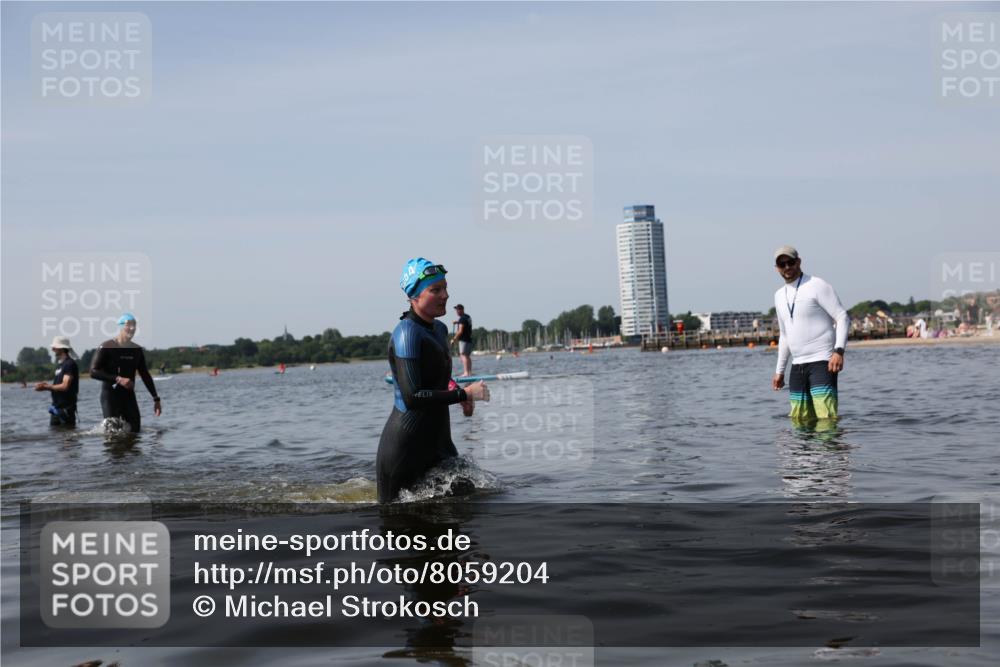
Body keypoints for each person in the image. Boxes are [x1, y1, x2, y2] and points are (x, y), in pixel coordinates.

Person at [377, 258, 489, 503]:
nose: (445, 295)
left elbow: (438, 374)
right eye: (435, 290)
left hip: (439, 442)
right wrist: (465, 394)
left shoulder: (439, 329)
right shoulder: (406, 333)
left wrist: (455, 390)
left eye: (445, 288)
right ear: (414, 296)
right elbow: (413, 396)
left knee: (470, 503)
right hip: (405, 449)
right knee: (401, 523)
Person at [770, 246, 849, 422]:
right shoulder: (778, 295)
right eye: (782, 264)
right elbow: (784, 335)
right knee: (799, 420)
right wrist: (779, 371)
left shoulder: (817, 285)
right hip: (797, 365)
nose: (787, 267)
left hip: (822, 362)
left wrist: (838, 351)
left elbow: (842, 317)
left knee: (825, 418)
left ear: (798, 262)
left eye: (790, 262)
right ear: (777, 268)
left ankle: (829, 449)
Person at [89, 312, 162, 433]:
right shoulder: (107, 346)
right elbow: (93, 372)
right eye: (128, 325)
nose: (132, 328)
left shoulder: (136, 350)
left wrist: (156, 399)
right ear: (120, 326)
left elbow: (145, 375)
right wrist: (118, 379)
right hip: (110, 396)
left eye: (134, 325)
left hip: (128, 396)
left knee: (135, 431)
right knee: (113, 433)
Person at [35, 335, 79, 427]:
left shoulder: (69, 364)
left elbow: (65, 386)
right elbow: (58, 385)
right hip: (56, 408)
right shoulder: (60, 365)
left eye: (55, 347)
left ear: (62, 348)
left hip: (66, 409)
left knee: (68, 439)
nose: (52, 349)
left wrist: (47, 387)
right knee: (56, 439)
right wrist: (46, 385)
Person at [451, 304, 473, 376]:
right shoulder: (467, 317)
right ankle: (469, 372)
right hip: (468, 339)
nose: (457, 311)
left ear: (462, 310)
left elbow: (460, 331)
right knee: (467, 356)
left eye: (458, 310)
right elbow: (464, 323)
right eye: (456, 310)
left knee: (463, 355)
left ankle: (466, 373)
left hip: (464, 339)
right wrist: (457, 322)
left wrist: (454, 339)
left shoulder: (462, 319)